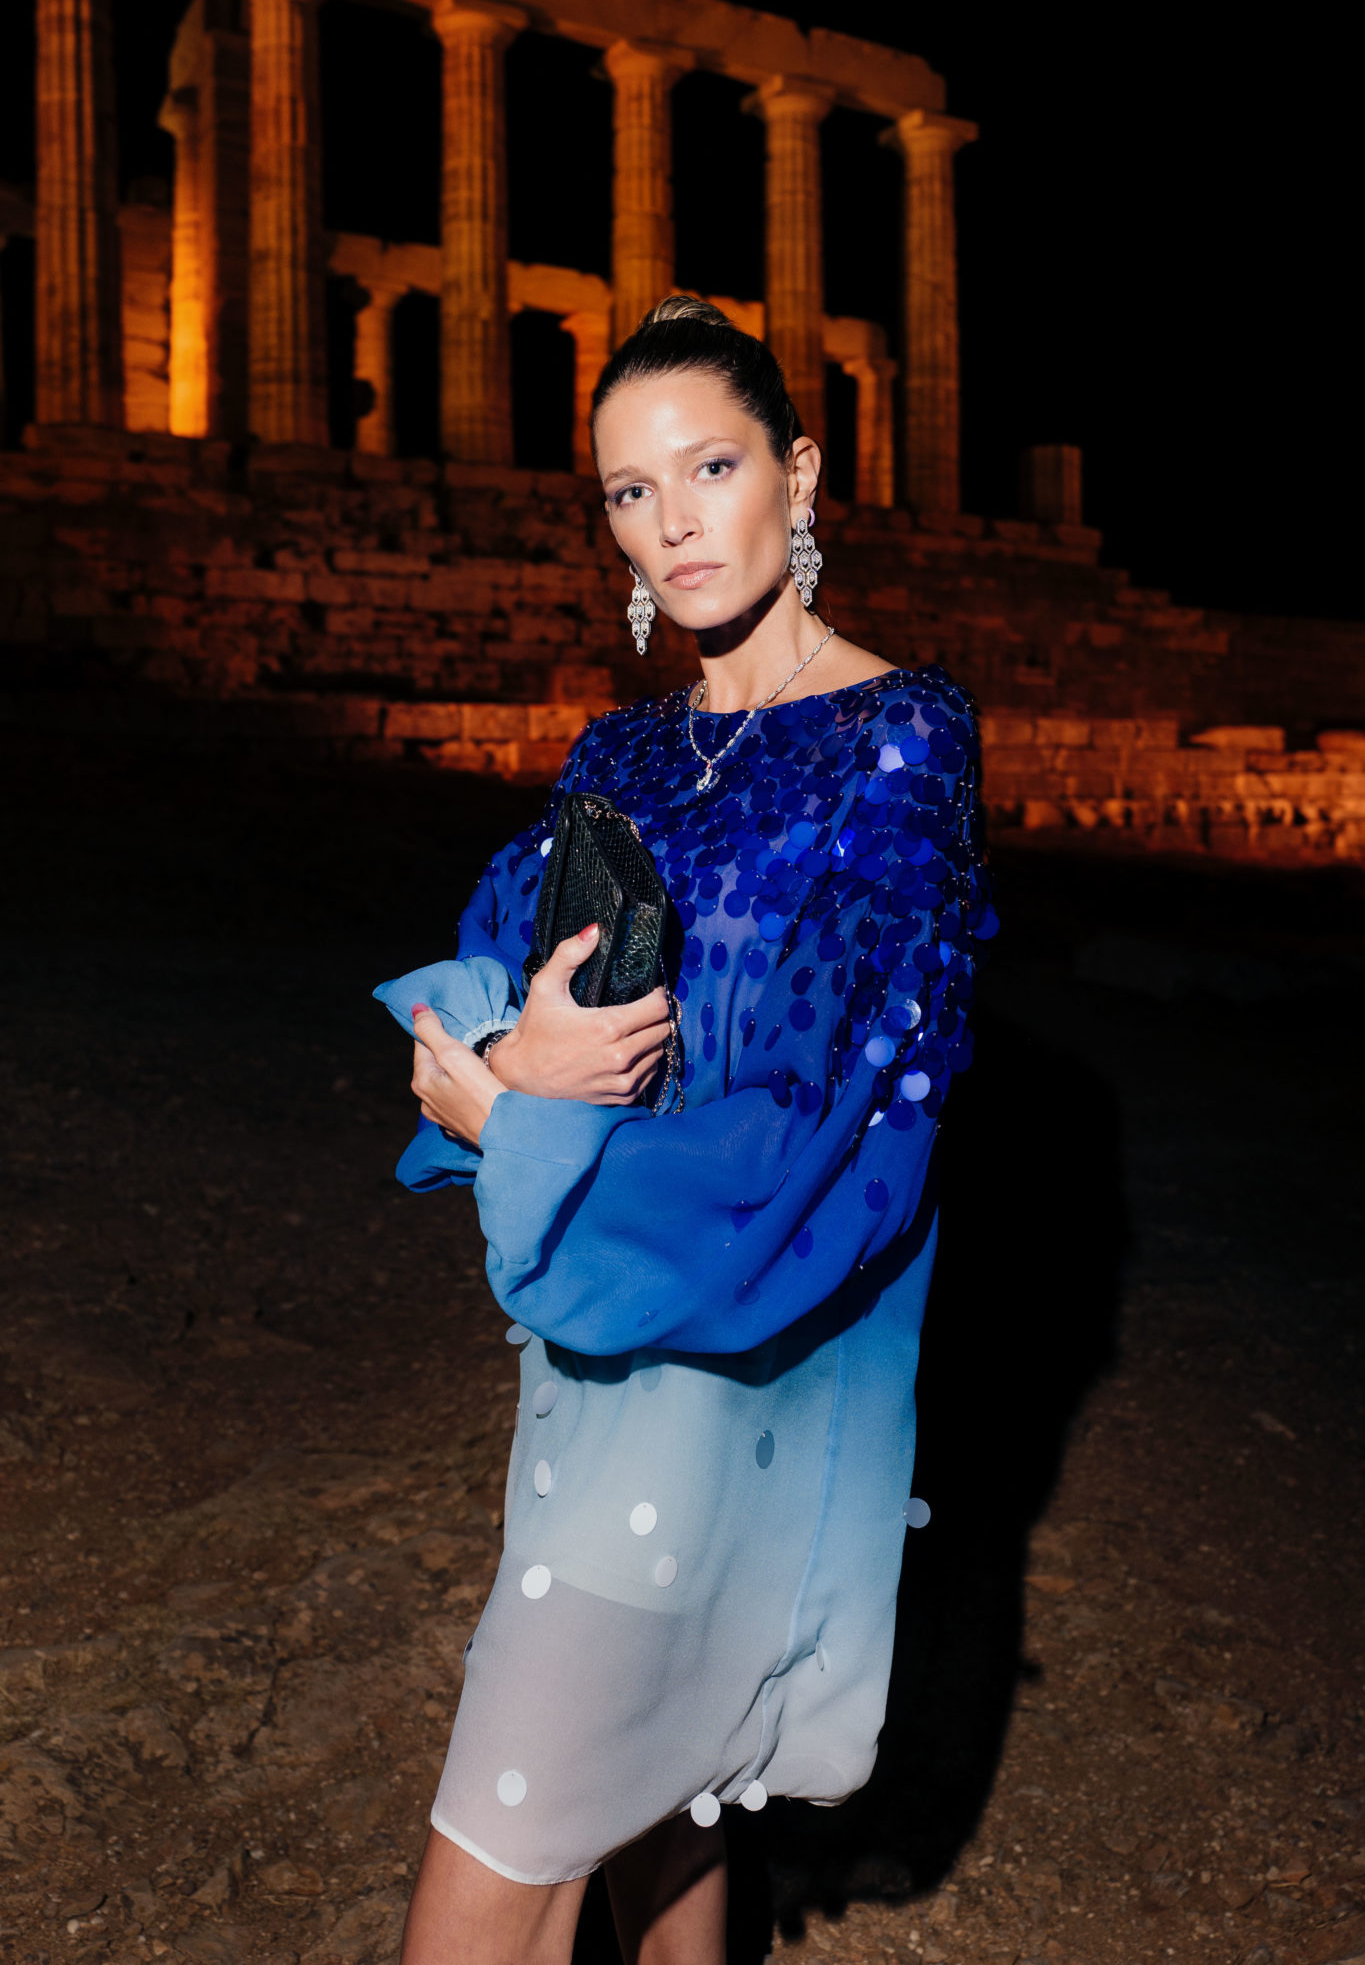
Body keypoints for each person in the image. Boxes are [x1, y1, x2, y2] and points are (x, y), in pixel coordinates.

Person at [377, 297, 998, 1965]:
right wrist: (511, 1053)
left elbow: (829, 1133)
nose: (671, 521)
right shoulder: (625, 755)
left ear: (799, 473)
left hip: (738, 1368)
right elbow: (481, 976)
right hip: (586, 1372)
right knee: (659, 1816)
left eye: (709, 468)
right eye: (628, 491)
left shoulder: (898, 739)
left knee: (499, 1852)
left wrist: (522, 1121)